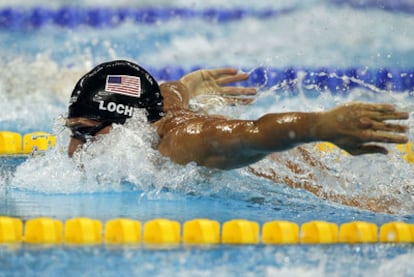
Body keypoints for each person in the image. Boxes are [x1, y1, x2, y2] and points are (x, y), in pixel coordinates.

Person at [66, 60, 409, 212]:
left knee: (382, 205)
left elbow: (256, 133)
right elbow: (173, 90)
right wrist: (193, 81)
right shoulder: (154, 109)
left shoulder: (182, 142)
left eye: (84, 132)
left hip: (317, 190)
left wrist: (325, 126)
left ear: (129, 123)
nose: (73, 149)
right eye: (72, 131)